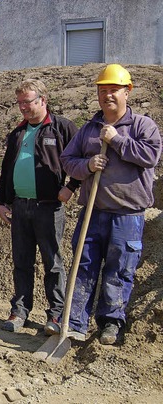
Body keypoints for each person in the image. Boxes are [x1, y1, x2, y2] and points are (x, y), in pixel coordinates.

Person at [61, 64, 161, 345]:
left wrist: (116, 140)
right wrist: (88, 165)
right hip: (93, 212)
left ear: (127, 91)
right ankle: (75, 323)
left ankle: (110, 324)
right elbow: (68, 160)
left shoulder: (143, 126)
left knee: (119, 270)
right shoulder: (88, 130)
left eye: (113, 90)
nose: (108, 96)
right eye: (102, 90)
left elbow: (150, 156)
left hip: (128, 215)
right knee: (84, 266)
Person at [0, 79, 79, 335]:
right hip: (20, 207)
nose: (23, 107)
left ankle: (55, 315)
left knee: (53, 263)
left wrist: (72, 186)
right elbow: (6, 169)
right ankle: (19, 311)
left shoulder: (62, 128)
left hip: (49, 208)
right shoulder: (18, 133)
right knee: (21, 262)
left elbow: (81, 159)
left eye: (27, 102)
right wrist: (0, 201)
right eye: (20, 103)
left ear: (43, 100)